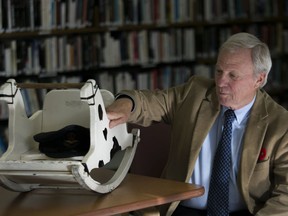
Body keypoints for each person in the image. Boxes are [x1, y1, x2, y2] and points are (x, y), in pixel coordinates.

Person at [106, 32, 288, 216]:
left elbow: (286, 195)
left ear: (259, 79)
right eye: (218, 71)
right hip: (184, 210)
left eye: (233, 76)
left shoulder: (280, 125)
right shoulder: (195, 93)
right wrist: (127, 104)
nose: (221, 82)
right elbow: (150, 102)